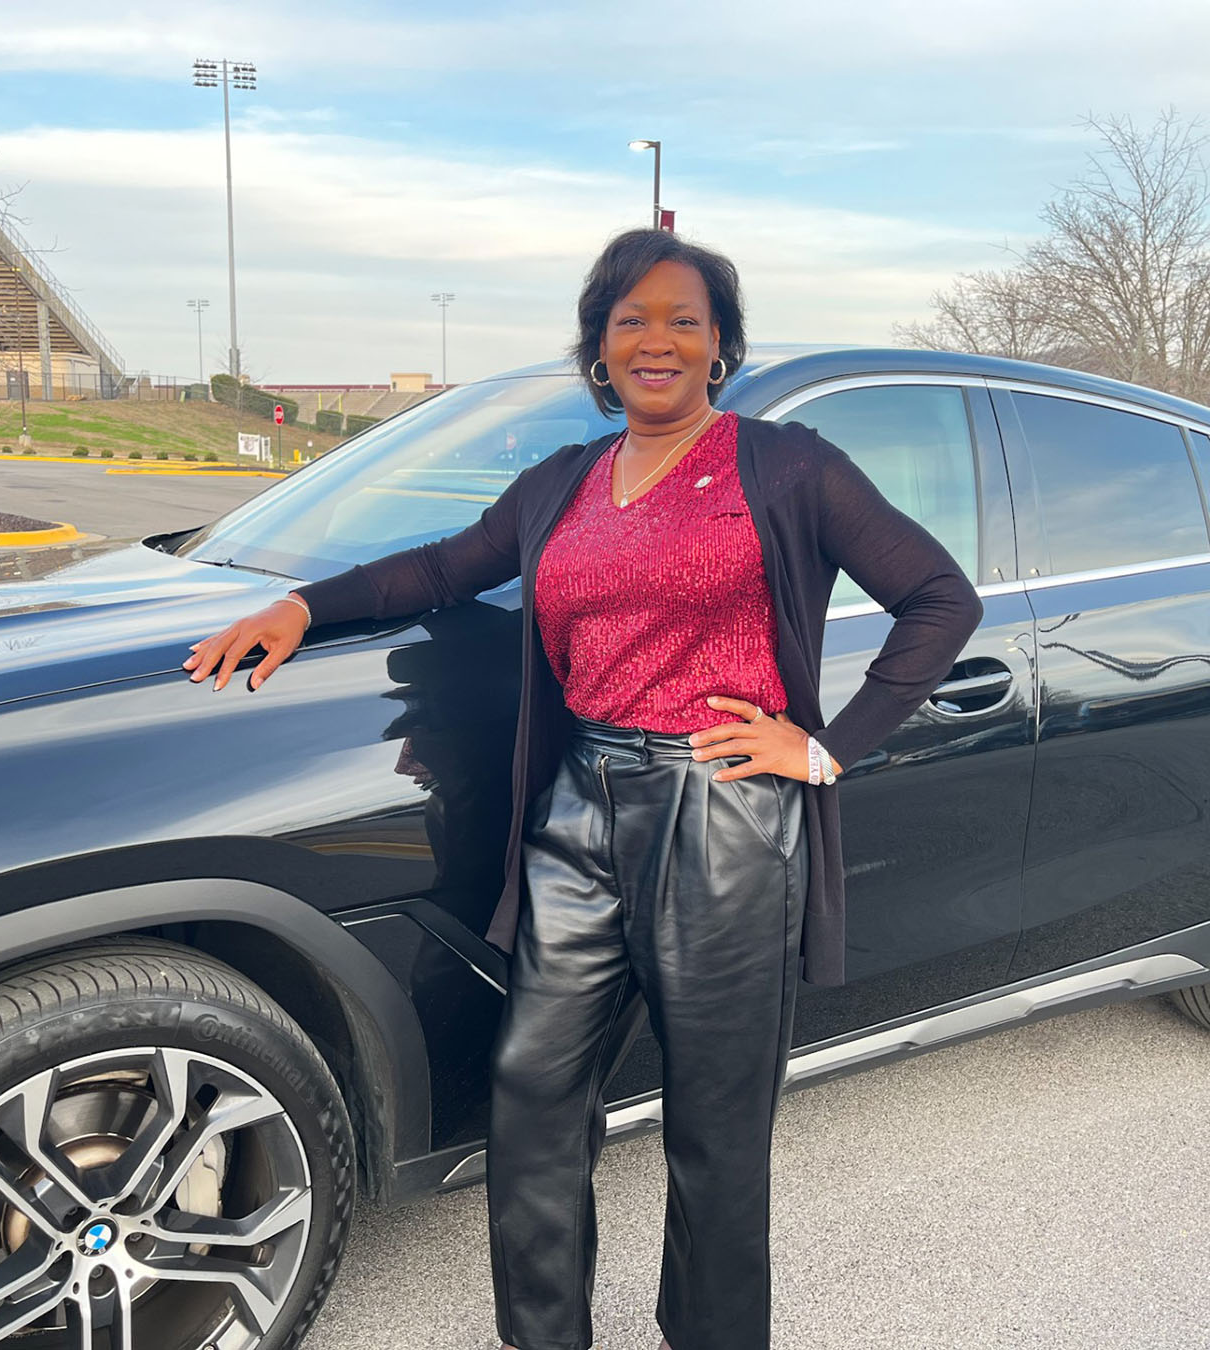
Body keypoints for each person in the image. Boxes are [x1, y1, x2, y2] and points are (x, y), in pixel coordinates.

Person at [184, 229, 983, 1350]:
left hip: (722, 813)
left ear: (720, 345)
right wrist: (301, 607)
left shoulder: (786, 465)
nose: (657, 341)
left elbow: (940, 598)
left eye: (684, 321)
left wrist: (826, 747)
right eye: (630, 320)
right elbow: (441, 567)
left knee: (714, 1127)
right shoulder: (562, 482)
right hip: (578, 810)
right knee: (533, 1095)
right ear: (599, 348)